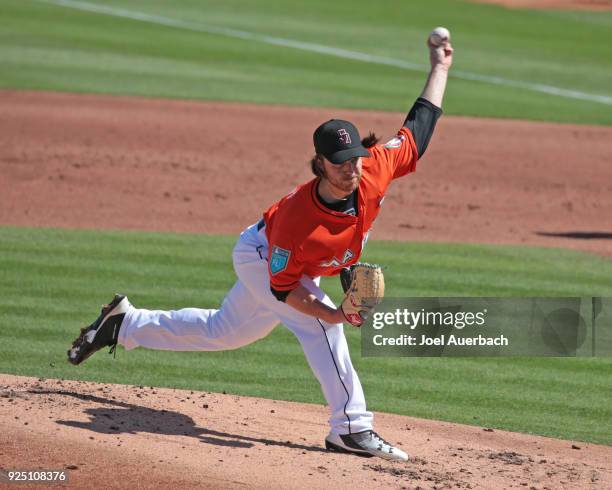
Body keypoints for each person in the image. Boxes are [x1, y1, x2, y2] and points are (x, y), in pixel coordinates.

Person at [68, 36, 453, 463]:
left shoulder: (373, 169)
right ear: (320, 163)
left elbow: (418, 129)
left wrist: (440, 67)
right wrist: (334, 313)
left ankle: (125, 324)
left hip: (292, 267)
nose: (351, 169)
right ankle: (351, 427)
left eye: (356, 158)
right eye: (341, 161)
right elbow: (285, 289)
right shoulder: (297, 222)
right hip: (262, 257)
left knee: (225, 332)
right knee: (322, 328)